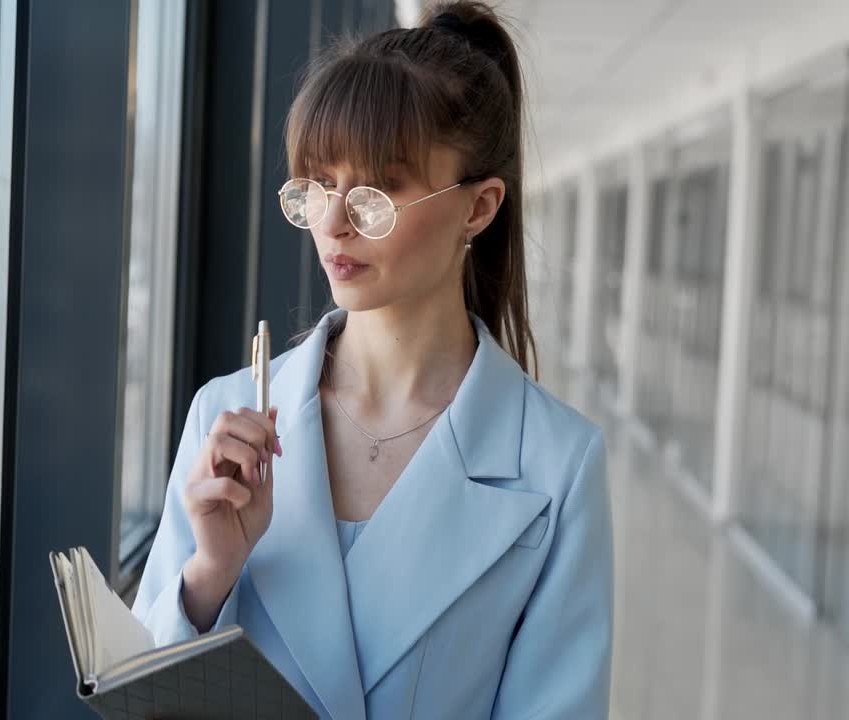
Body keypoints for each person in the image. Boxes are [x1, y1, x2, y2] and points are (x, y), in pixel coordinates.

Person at [132, 2, 613, 718]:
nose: (332, 223)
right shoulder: (225, 415)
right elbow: (140, 693)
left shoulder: (556, 466)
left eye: (379, 188)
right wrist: (208, 577)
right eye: (318, 184)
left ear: (478, 208)